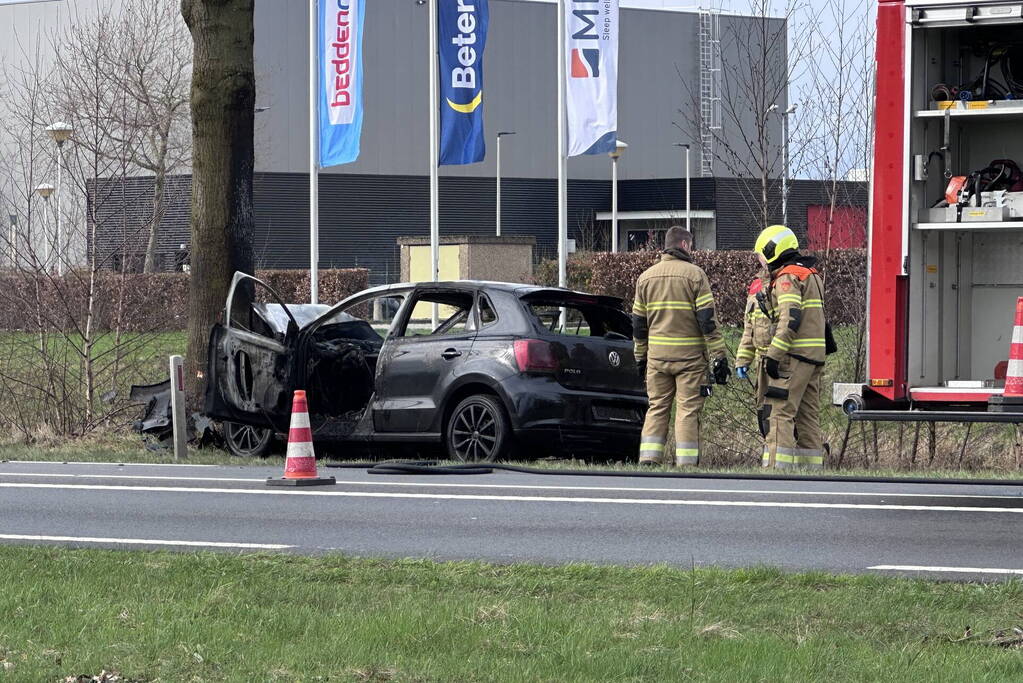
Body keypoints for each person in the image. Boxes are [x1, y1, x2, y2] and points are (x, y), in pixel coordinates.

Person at [632, 226, 729, 467]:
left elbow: (638, 325)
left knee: (656, 407)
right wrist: (719, 355)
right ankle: (686, 464)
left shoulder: (645, 277)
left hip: (657, 358)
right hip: (690, 359)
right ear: (684, 245)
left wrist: (640, 357)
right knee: (687, 410)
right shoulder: (695, 275)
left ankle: (649, 458)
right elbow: (707, 321)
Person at [753, 225, 827, 469]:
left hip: (793, 357)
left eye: (762, 255)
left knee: (779, 413)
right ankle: (812, 472)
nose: (761, 261)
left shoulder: (787, 277)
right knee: (807, 417)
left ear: (773, 250)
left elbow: (790, 317)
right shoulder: (810, 273)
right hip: (813, 358)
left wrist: (774, 355)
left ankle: (777, 469)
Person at [735, 267, 772, 436]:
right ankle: (769, 455)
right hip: (762, 364)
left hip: (784, 361)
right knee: (763, 410)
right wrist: (743, 359)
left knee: (784, 412)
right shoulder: (756, 285)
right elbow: (750, 326)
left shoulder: (787, 282)